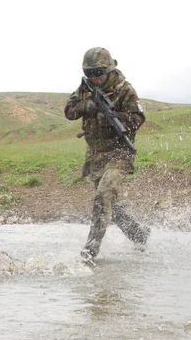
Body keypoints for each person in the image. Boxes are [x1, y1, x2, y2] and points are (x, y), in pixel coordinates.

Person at [64, 47, 150, 264]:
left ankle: (90, 252)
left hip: (120, 153)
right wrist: (89, 106)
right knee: (108, 201)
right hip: (95, 155)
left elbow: (138, 118)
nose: (95, 78)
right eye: (90, 73)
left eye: (99, 73)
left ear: (110, 69)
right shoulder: (86, 88)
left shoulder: (124, 89)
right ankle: (137, 234)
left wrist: (113, 116)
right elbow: (69, 112)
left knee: (103, 196)